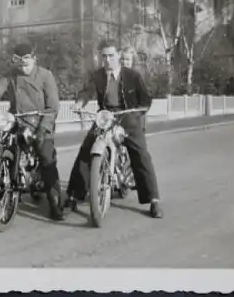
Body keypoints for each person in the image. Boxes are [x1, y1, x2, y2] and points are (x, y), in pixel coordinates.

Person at [0, 41, 65, 221]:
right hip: (17, 120)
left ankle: (55, 203)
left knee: (46, 157)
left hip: (41, 123)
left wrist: (43, 128)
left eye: (26, 62)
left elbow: (53, 107)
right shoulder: (10, 76)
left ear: (34, 59)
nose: (23, 67)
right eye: (19, 63)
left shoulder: (45, 76)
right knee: (1, 150)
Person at [64, 39, 163, 218]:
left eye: (111, 56)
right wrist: (80, 103)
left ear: (118, 55)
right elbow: (87, 91)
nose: (107, 60)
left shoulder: (133, 76)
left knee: (141, 154)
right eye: (104, 56)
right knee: (85, 151)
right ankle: (73, 196)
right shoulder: (98, 76)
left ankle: (154, 200)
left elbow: (146, 100)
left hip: (128, 116)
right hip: (106, 116)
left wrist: (138, 114)